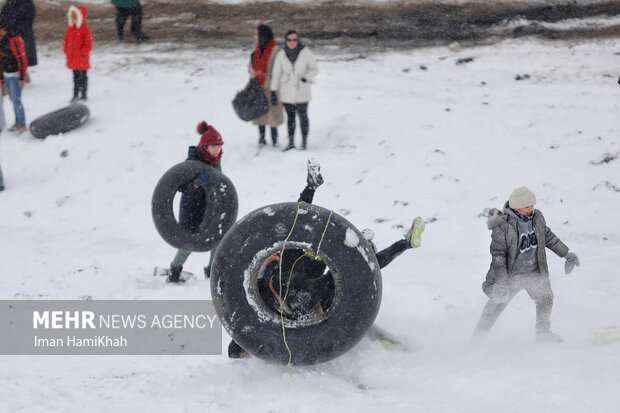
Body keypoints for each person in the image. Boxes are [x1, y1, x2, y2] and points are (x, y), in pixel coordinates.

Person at [228, 159, 426, 358]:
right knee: (340, 273)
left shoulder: (288, 265)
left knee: (338, 274)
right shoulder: (272, 274)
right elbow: (235, 347)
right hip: (301, 302)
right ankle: (400, 244)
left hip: (306, 301)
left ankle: (379, 246)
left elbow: (296, 221)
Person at [473, 186, 580, 342]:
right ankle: (478, 336)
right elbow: (499, 256)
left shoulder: (537, 218)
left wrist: (566, 254)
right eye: (526, 206)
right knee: (496, 304)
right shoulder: (503, 226)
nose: (531, 209)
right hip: (511, 275)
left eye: (532, 205)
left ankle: (543, 333)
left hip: (533, 271)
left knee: (545, 299)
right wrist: (501, 282)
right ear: (516, 207)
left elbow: (548, 237)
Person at [166, 121, 224, 284]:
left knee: (216, 241)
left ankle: (211, 271)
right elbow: (182, 187)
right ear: (205, 146)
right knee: (189, 243)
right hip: (192, 207)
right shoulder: (192, 162)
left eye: (219, 146)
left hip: (210, 208)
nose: (217, 149)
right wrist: (197, 184)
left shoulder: (216, 160)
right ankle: (174, 272)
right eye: (214, 146)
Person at [270, 30, 318, 151]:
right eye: (289, 40)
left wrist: (306, 78)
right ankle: (291, 142)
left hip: (302, 90)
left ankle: (304, 142)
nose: (292, 42)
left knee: (303, 117)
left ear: (298, 40)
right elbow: (276, 73)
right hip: (286, 92)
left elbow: (314, 69)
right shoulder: (281, 55)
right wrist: (273, 91)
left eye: (294, 40)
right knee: (290, 118)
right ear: (286, 41)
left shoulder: (306, 53)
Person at [249, 24, 283, 148]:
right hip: (258, 87)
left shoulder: (275, 50)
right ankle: (261, 138)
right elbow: (250, 64)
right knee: (260, 115)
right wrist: (252, 72)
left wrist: (263, 74)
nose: (255, 37)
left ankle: (275, 140)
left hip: (271, 88)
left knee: (273, 115)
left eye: (256, 34)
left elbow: (278, 70)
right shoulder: (255, 49)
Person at [0, 25, 27, 134]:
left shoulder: (15, 40)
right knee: (13, 100)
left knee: (16, 100)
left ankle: (22, 124)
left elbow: (22, 59)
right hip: (7, 74)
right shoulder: (3, 40)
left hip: (15, 75)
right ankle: (18, 122)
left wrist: (21, 77)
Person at [64, 5, 93, 103]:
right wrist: (67, 50)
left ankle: (83, 94)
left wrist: (82, 53)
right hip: (73, 59)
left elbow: (88, 44)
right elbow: (66, 41)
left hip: (81, 59)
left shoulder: (85, 30)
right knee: (75, 77)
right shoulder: (70, 30)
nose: (74, 20)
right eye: (72, 18)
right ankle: (75, 94)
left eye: (76, 18)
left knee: (83, 77)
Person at [0, 0, 36, 70]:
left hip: (18, 35)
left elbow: (20, 18)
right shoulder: (11, 2)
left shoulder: (25, 3)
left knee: (18, 59)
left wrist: (7, 28)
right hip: (11, 35)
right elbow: (5, 15)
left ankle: (21, 76)